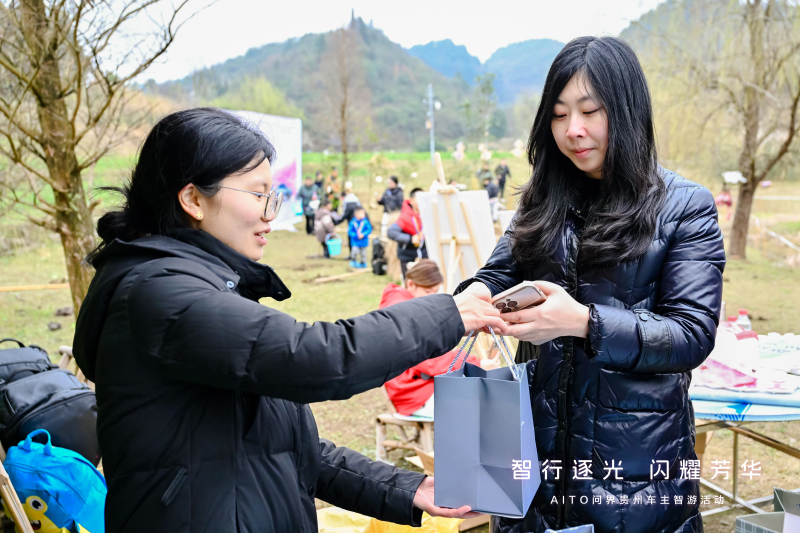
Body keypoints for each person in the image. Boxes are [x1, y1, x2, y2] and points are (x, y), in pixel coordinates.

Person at [73, 108, 507, 532]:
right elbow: (319, 357)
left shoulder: (206, 288)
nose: (271, 214)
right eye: (258, 194)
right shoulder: (160, 293)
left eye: (273, 195)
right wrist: (449, 313)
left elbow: (287, 448)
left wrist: (405, 487)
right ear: (193, 199)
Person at [456, 37, 725, 533]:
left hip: (636, 474)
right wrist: (474, 292)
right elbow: (498, 274)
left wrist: (583, 322)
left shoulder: (685, 206)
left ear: (625, 109)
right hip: (530, 456)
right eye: (559, 115)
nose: (573, 131)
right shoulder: (544, 198)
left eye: (589, 111)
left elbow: (691, 334)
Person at [381, 260, 498, 418]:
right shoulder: (403, 312)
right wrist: (476, 364)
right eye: (429, 291)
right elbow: (428, 359)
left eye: (435, 292)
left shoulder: (404, 305)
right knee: (478, 406)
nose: (432, 297)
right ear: (411, 284)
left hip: (417, 388)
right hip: (413, 394)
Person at [387, 187, 427, 278]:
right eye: (419, 199)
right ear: (412, 201)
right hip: (408, 256)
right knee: (409, 282)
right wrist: (410, 239)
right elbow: (391, 232)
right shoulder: (405, 217)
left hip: (424, 256)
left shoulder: (427, 215)